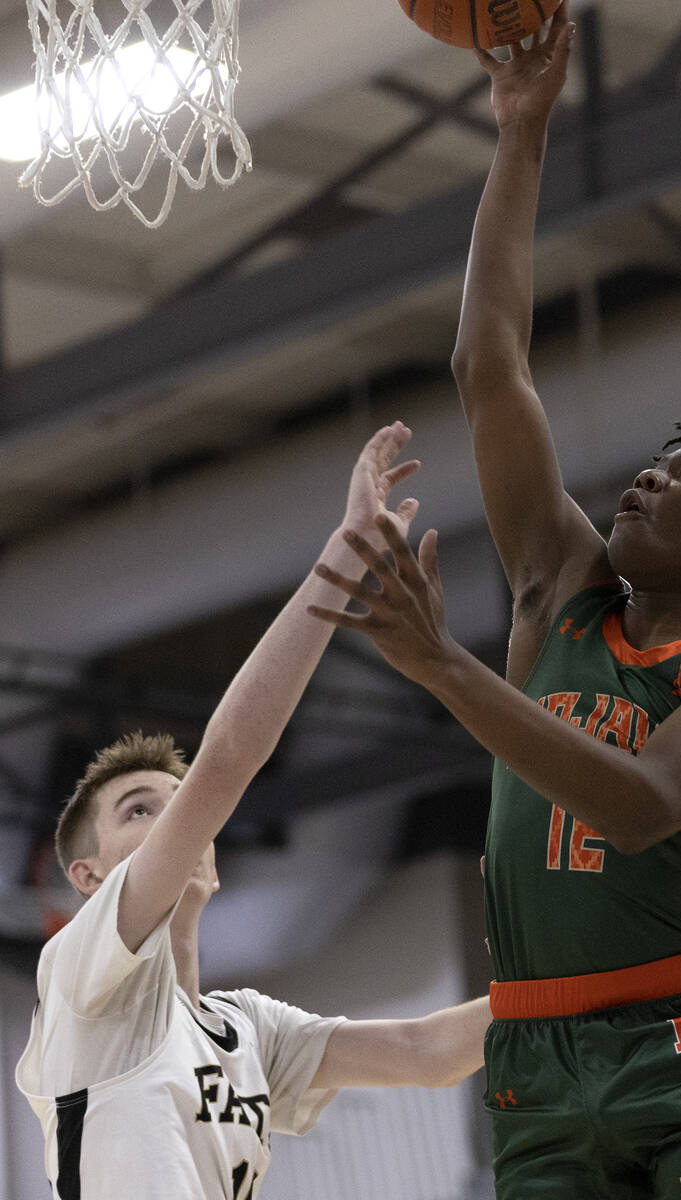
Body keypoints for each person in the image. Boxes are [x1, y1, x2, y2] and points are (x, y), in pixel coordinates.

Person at [307, 7, 681, 1198]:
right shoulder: (559, 585)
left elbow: (645, 803)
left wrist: (447, 666)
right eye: (655, 458)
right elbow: (485, 365)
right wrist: (519, 134)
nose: (649, 473)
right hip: (532, 1063)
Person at [15, 422, 491, 1200]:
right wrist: (343, 557)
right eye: (142, 811)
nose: (181, 826)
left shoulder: (247, 1027)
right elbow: (230, 754)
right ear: (89, 877)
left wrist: (596, 974)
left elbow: (427, 1050)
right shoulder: (86, 977)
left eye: (179, 809)